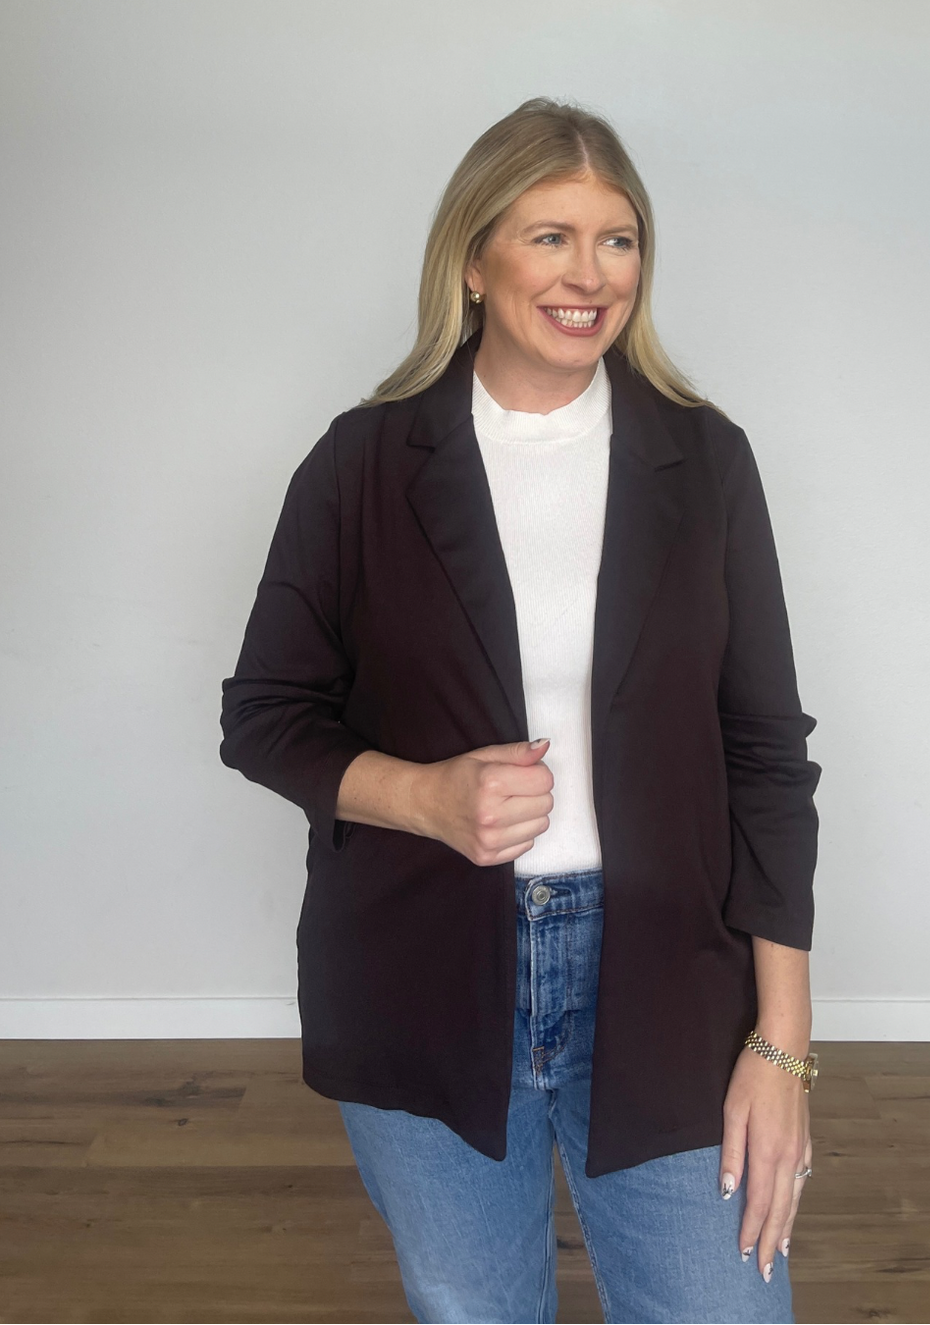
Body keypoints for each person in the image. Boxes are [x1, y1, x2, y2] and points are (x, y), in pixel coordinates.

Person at [220, 97, 822, 1325]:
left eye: (617, 239)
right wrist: (423, 795)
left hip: (667, 973)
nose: (588, 274)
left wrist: (782, 1044)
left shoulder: (705, 462)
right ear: (473, 260)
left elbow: (764, 754)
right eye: (550, 236)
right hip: (420, 968)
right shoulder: (361, 462)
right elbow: (265, 711)